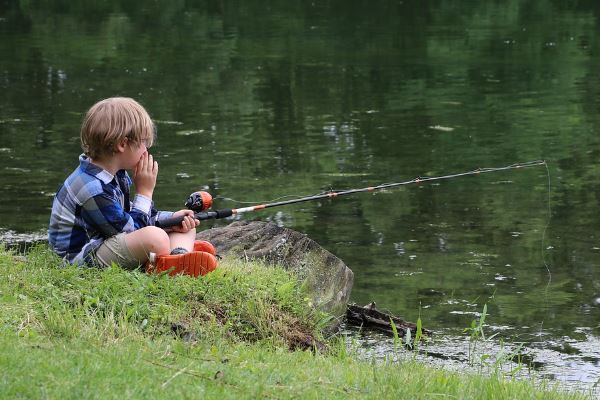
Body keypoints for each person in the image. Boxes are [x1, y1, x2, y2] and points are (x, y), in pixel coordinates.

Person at [48, 97, 217, 276]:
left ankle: (177, 256)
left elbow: (135, 217)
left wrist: (173, 219)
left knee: (185, 223)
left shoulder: (115, 174)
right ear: (122, 144)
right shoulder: (91, 188)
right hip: (82, 258)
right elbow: (130, 230)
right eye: (144, 142)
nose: (146, 150)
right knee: (155, 237)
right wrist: (145, 192)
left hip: (111, 238)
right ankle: (172, 257)